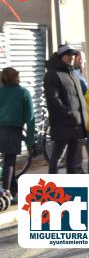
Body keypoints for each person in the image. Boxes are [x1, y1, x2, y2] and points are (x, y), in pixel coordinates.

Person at [44, 44, 88, 174]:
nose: (72, 57)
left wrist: (81, 116)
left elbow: (79, 97)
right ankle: (52, 185)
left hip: (77, 123)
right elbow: (53, 100)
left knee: (73, 157)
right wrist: (69, 112)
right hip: (63, 123)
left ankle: (71, 183)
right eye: (69, 55)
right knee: (57, 156)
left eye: (74, 55)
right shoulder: (52, 74)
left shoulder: (72, 73)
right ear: (61, 56)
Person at [0, 67, 35, 197]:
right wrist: (31, 140)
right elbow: (30, 118)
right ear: (15, 78)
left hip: (1, 128)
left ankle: (13, 188)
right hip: (13, 130)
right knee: (10, 159)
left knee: (9, 159)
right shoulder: (23, 93)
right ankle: (6, 191)